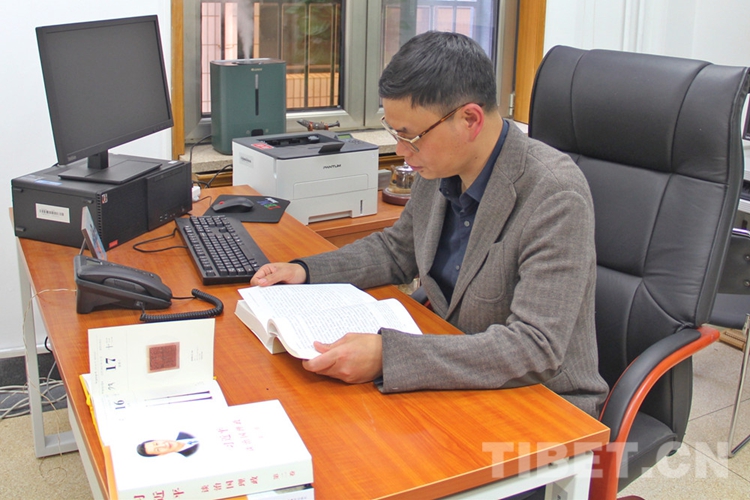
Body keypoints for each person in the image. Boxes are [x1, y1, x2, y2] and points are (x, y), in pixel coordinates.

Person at [250, 31, 608, 417]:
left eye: (411, 136)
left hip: (542, 403)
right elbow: (397, 251)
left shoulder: (554, 194)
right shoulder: (440, 166)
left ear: (469, 120)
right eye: (395, 133)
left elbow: (535, 347)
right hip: (457, 372)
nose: (401, 151)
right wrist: (305, 271)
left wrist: (388, 356)